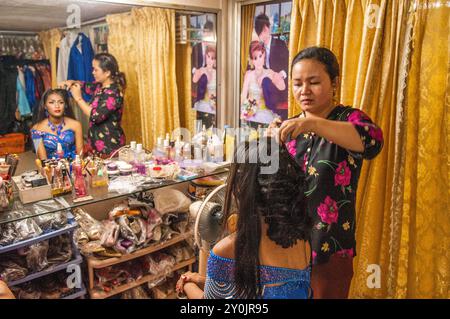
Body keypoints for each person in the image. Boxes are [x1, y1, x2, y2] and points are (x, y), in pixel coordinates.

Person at [276, 46, 384, 299]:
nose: (304, 91)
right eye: (297, 83)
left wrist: (312, 122)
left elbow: (373, 141)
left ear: (334, 82)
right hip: (286, 247)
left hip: (330, 246)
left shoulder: (348, 118)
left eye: (313, 82)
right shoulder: (288, 128)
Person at [176, 138, 312, 299]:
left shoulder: (227, 250)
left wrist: (187, 285)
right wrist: (202, 280)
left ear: (241, 188)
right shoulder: (300, 238)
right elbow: (260, 288)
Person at [58, 53, 126, 157]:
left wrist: (78, 98)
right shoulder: (100, 86)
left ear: (107, 72)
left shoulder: (113, 93)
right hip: (96, 143)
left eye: (96, 70)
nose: (92, 72)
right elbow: (86, 86)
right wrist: (72, 82)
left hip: (109, 145)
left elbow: (95, 116)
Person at [241, 41, 285, 125]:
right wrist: (244, 110)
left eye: (260, 56)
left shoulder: (269, 72)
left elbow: (282, 87)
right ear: (252, 60)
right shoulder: (249, 74)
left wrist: (279, 76)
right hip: (250, 111)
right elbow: (243, 96)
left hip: (265, 112)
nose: (258, 61)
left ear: (264, 55)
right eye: (255, 58)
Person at [31, 88, 83, 160]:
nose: (57, 106)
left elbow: (80, 155)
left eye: (61, 102)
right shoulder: (36, 129)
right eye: (51, 102)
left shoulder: (76, 125)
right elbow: (42, 159)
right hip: (49, 168)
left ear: (65, 105)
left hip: (74, 167)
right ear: (45, 106)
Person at [254, 13, 289, 118]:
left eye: (263, 32)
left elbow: (289, 64)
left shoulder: (280, 44)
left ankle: (272, 114)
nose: (261, 36)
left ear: (267, 29)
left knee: (266, 82)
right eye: (259, 33)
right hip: (266, 83)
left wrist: (281, 74)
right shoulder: (259, 47)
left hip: (279, 83)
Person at [193, 45, 216, 115]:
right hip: (204, 104)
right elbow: (194, 80)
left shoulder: (217, 72)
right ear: (205, 56)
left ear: (215, 61)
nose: (209, 60)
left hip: (215, 105)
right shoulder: (201, 70)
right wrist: (196, 72)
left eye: (212, 58)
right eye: (208, 56)